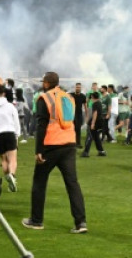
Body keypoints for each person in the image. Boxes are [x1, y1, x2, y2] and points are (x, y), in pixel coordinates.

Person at [22, 72, 87, 234]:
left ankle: (36, 221)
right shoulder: (68, 97)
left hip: (51, 145)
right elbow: (76, 121)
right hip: (69, 144)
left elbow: (41, 125)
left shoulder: (45, 98)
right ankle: (81, 223)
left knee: (39, 182)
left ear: (46, 83)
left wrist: (38, 150)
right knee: (72, 184)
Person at [81, 91, 107, 157]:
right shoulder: (99, 103)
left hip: (95, 122)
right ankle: (101, 151)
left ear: (92, 97)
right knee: (96, 138)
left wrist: (92, 123)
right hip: (100, 122)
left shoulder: (95, 104)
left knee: (89, 137)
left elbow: (95, 113)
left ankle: (86, 152)